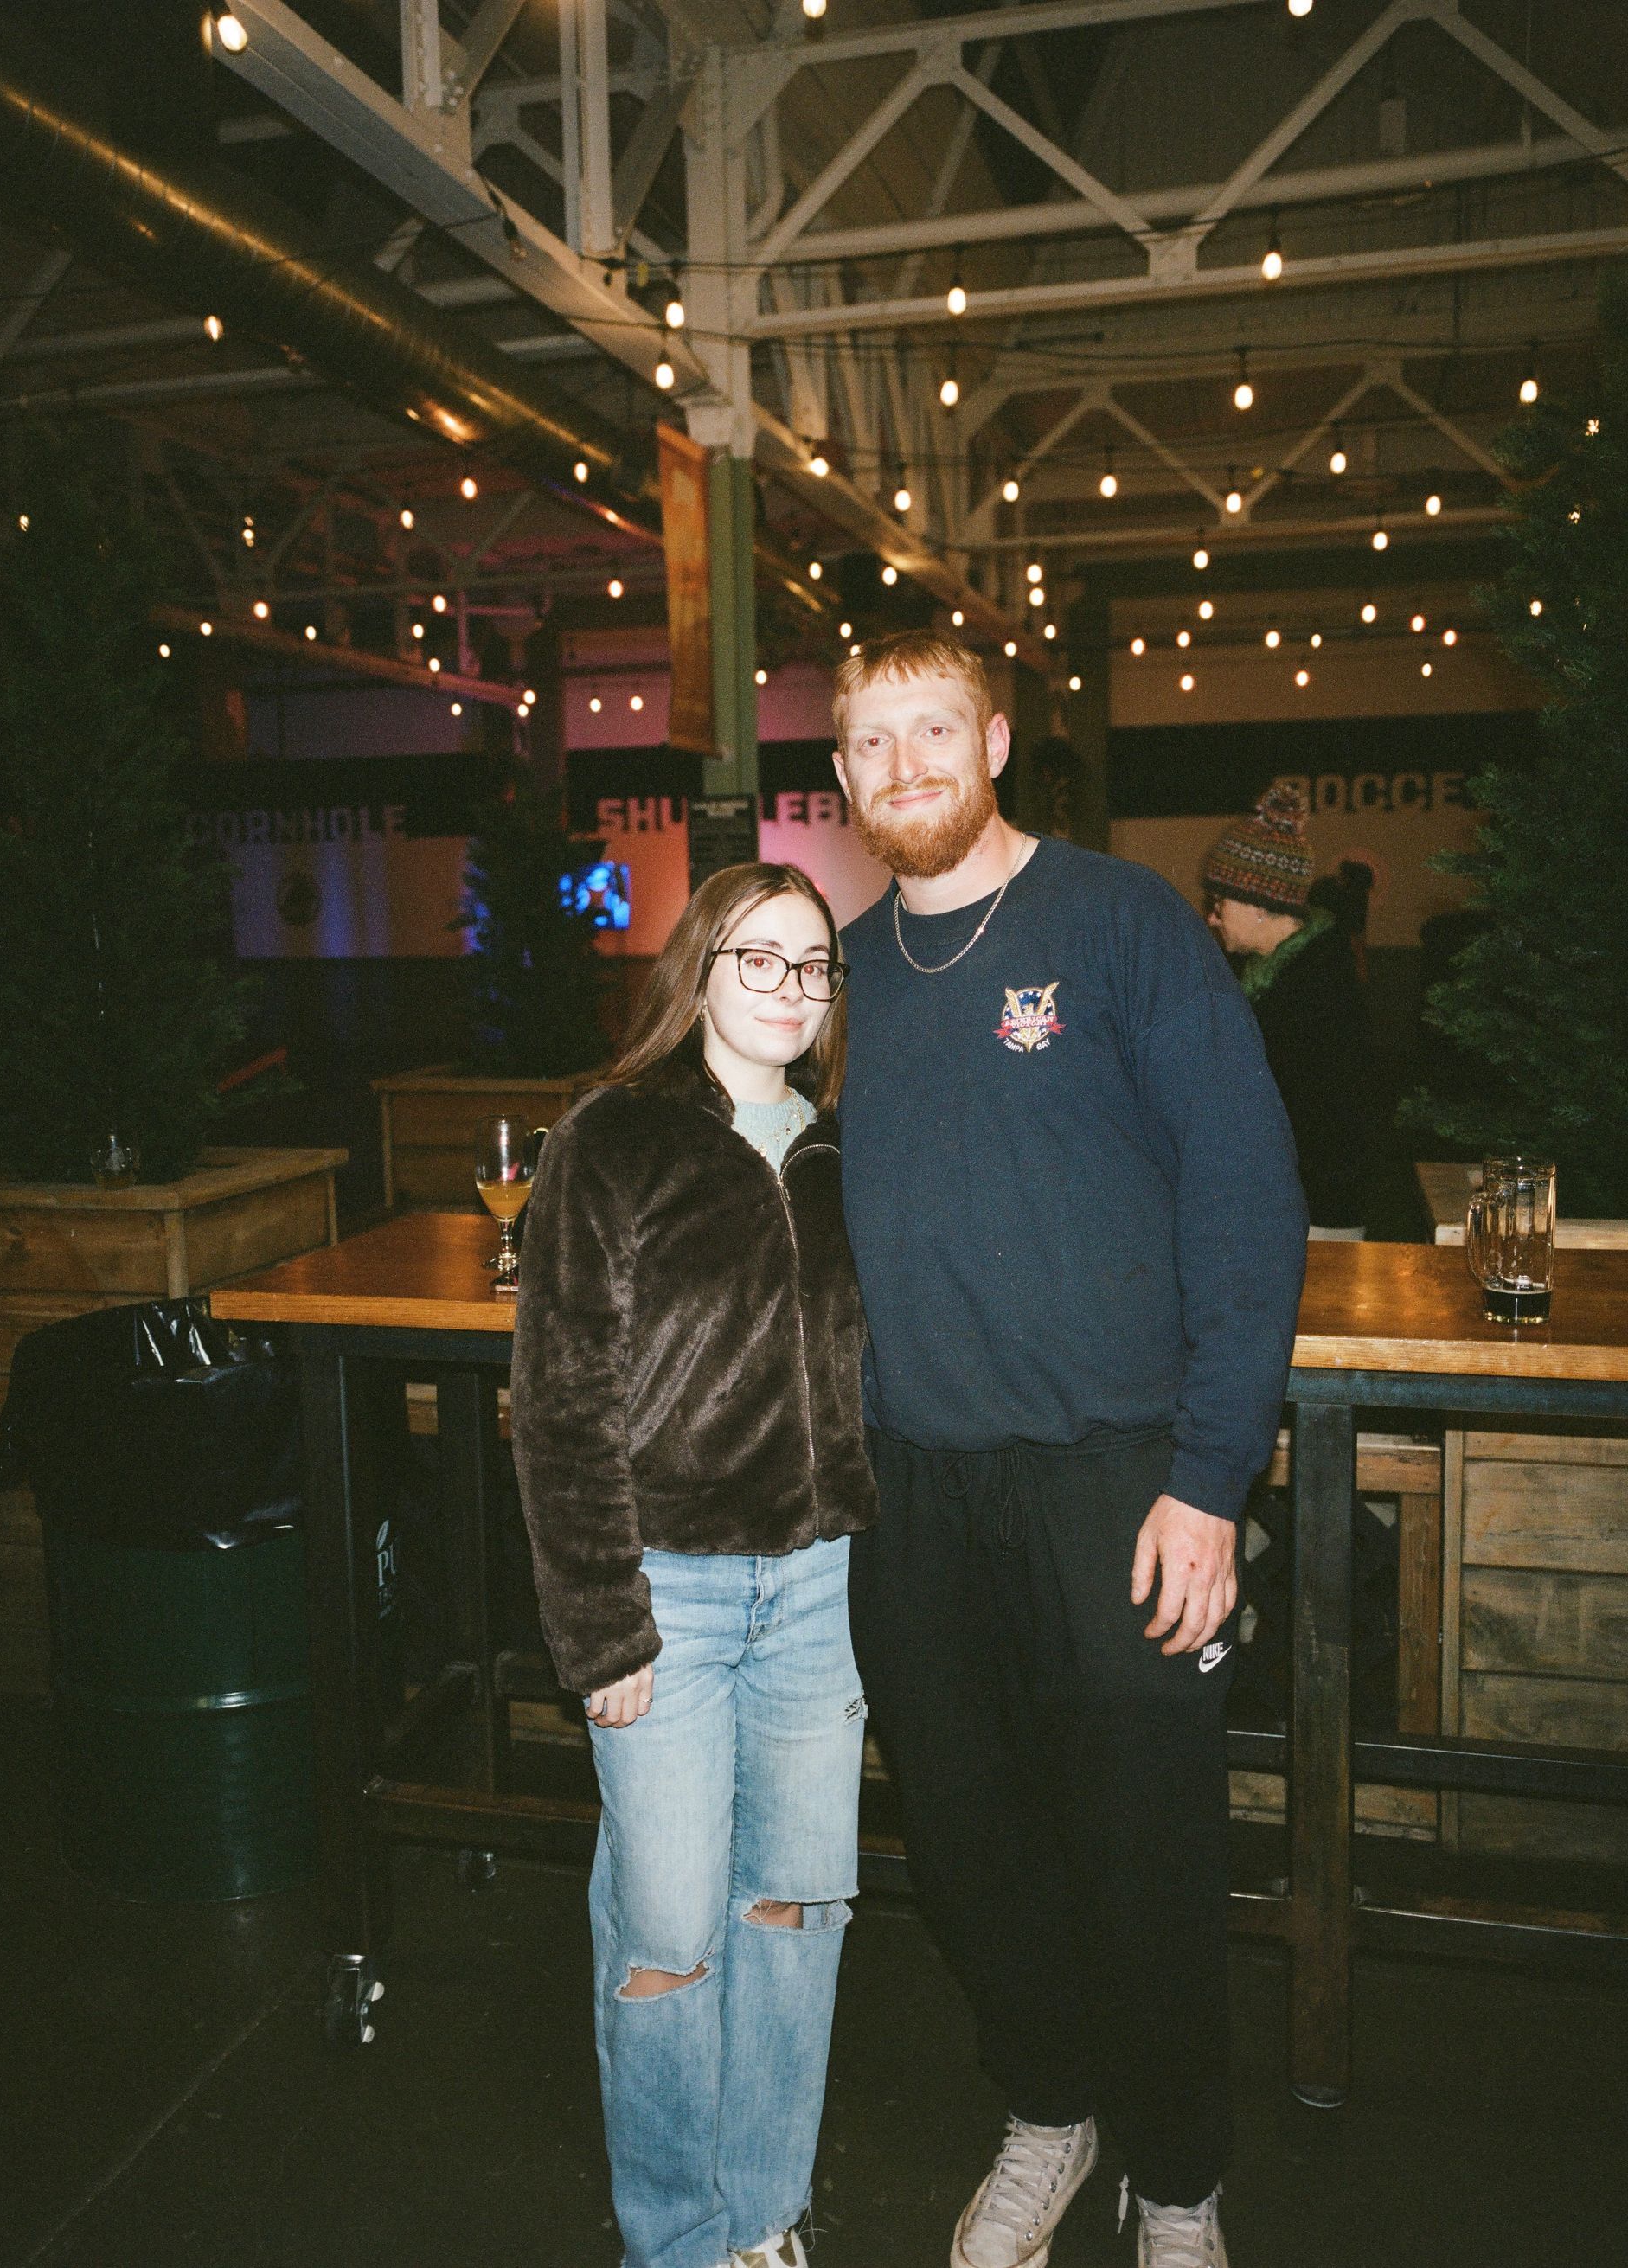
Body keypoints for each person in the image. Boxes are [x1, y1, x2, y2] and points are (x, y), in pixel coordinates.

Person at [830, 632, 1307, 2268]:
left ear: (997, 740)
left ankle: (1175, 2178)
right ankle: (1051, 2105)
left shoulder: (1121, 926)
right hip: (913, 1494)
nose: (904, 767)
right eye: (871, 743)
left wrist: (1209, 1475)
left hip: (1121, 1477)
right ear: (840, 778)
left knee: (1146, 1851)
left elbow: (1248, 1196)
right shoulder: (843, 972)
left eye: (933, 730)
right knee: (965, 1841)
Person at [510, 862, 876, 2268]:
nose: (789, 987)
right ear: (698, 967)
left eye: (814, 965)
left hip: (821, 1593)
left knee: (795, 1912)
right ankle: (674, 2238)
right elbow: (557, 1398)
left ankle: (764, 2216)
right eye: (759, 956)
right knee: (666, 1937)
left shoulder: (845, 1150)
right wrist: (598, 1626)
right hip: (666, 1588)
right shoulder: (613, 1139)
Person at [1203, 788, 1373, 1235]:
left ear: (1260, 906)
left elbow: (1313, 1120)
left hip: (1314, 1215)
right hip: (1283, 1206)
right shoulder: (1267, 974)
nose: (1212, 920)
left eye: (1220, 905)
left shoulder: (1314, 989)